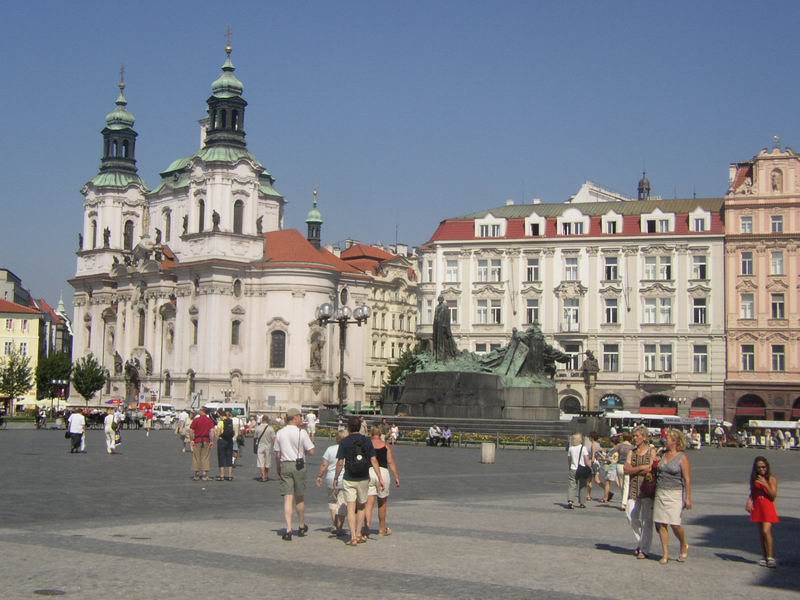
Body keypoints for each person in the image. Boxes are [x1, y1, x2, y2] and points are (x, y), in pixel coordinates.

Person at [334, 416, 384, 545]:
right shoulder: (367, 441)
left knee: (351, 508)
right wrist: (380, 477)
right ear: (360, 426)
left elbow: (340, 462)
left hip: (349, 477)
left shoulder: (344, 442)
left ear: (348, 427)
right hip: (363, 477)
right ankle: (358, 533)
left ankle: (352, 537)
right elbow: (373, 460)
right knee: (361, 507)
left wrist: (336, 477)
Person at [274, 408, 315, 541]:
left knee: (288, 498)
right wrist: (303, 451)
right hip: (299, 465)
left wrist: (278, 468)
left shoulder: (280, 432)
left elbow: (277, 454)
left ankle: (288, 529)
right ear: (295, 418)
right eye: (300, 416)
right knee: (299, 497)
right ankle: (301, 525)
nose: (301, 419)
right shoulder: (301, 432)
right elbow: (312, 451)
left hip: (285, 464)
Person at [653, 429, 693, 564]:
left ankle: (683, 543)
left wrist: (688, 497)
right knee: (661, 523)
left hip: (675, 493)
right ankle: (665, 553)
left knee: (675, 524)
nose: (665, 440)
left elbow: (687, 479)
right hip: (660, 491)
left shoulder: (682, 457)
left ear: (675, 441)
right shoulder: (662, 454)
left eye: (668, 438)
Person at [623, 426, 656, 559]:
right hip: (634, 489)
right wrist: (641, 467)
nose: (634, 438)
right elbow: (626, 469)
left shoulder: (651, 451)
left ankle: (644, 549)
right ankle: (641, 542)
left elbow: (650, 468)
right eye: (634, 436)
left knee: (647, 520)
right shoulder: (632, 452)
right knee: (631, 516)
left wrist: (634, 468)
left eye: (637, 436)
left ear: (644, 437)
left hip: (647, 488)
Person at [364, 425, 401, 537]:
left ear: (371, 434)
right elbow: (390, 462)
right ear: (380, 434)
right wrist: (396, 476)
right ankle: (382, 529)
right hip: (383, 473)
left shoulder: (366, 445)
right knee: (382, 503)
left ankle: (366, 529)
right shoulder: (385, 446)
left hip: (369, 472)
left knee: (369, 504)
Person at [747, 456, 779, 568]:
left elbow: (773, 496)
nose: (762, 469)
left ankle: (771, 557)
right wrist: (749, 501)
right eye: (759, 467)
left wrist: (765, 484)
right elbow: (753, 491)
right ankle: (765, 556)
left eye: (763, 467)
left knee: (766, 531)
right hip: (758, 506)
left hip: (767, 507)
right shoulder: (755, 478)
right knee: (761, 533)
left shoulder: (771, 478)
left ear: (767, 466)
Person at [316, 431, 348, 536]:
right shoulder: (349, 449)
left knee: (333, 501)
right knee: (342, 502)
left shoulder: (330, 449)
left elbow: (324, 464)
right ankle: (339, 527)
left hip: (330, 478)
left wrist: (320, 476)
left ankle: (335, 524)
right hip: (344, 478)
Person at [189, 407, 215, 481]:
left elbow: (191, 431)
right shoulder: (209, 420)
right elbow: (212, 431)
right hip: (206, 440)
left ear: (203, 411)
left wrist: (192, 440)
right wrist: (212, 441)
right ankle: (204, 474)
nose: (199, 411)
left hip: (197, 440)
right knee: (205, 457)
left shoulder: (196, 420)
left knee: (196, 457)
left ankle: (196, 474)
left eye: (200, 410)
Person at [567, 432, 590, 509]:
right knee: (583, 486)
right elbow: (586, 460)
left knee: (572, 485)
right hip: (582, 469)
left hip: (573, 468)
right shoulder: (583, 448)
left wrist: (569, 467)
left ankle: (570, 501)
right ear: (580, 439)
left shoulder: (570, 448)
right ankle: (582, 503)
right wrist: (589, 466)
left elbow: (569, 459)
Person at [614, 433, 634, 510]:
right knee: (626, 485)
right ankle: (624, 503)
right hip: (628, 466)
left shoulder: (619, 446)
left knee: (621, 485)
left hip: (619, 465)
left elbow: (613, 453)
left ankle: (623, 500)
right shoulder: (632, 447)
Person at [214, 411, 235, 481]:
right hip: (229, 441)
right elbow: (233, 432)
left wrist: (217, 436)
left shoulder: (220, 422)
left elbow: (218, 433)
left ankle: (222, 476)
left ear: (222, 416)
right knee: (229, 457)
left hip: (222, 440)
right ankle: (230, 476)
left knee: (221, 457)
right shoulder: (230, 422)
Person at [254, 416, 275, 482]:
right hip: (268, 447)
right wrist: (275, 447)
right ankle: (266, 475)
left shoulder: (258, 428)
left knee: (261, 462)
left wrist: (254, 446)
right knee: (267, 462)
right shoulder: (270, 428)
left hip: (260, 446)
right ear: (268, 420)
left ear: (262, 420)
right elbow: (274, 439)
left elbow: (255, 438)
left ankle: (263, 476)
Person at [586, 432, 602, 501]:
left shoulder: (593, 444)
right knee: (597, 480)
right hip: (597, 463)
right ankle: (607, 490)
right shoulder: (598, 444)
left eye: (589, 437)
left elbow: (592, 456)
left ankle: (588, 495)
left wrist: (590, 463)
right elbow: (599, 454)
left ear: (592, 438)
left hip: (592, 463)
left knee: (589, 480)